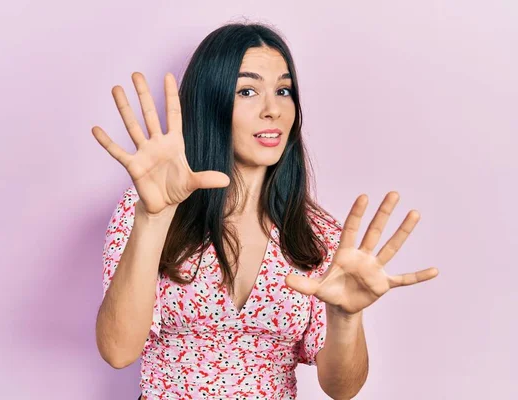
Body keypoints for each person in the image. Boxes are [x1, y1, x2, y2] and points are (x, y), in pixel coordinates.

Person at [93, 22, 439, 400]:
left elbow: (343, 388)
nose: (272, 110)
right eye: (248, 91)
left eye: (283, 90)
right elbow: (118, 350)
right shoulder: (148, 207)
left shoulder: (317, 233)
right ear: (212, 103)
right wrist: (152, 218)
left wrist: (346, 317)